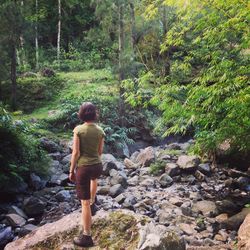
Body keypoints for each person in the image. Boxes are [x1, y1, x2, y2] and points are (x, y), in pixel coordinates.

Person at [69, 102, 105, 247]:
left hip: (83, 167)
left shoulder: (79, 129)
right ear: (95, 114)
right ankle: (93, 202)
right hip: (97, 165)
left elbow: (76, 152)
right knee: (94, 179)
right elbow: (100, 152)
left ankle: (87, 236)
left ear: (82, 114)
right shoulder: (100, 130)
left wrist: (71, 170)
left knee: (83, 202)